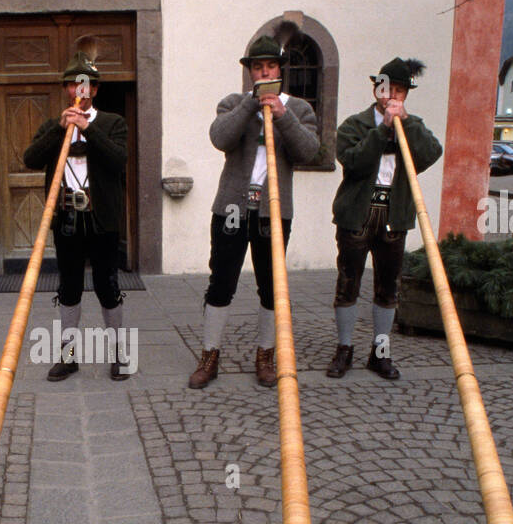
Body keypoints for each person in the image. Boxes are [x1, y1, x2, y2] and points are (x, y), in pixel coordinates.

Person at [188, 35, 320, 389]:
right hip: (232, 207)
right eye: (258, 67)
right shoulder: (233, 103)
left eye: (271, 66)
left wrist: (283, 115)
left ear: (281, 70)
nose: (265, 72)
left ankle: (265, 355)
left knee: (271, 286)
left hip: (273, 210)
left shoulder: (300, 109)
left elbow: (309, 151)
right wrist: (251, 105)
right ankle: (210, 354)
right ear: (249, 72)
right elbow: (220, 138)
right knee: (221, 283)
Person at [326, 57, 442, 381]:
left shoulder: (412, 125)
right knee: (348, 282)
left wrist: (407, 123)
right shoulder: (355, 124)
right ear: (376, 88)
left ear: (406, 95)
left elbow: (432, 153)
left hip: (394, 216)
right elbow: (353, 162)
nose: (391, 94)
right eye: (386, 87)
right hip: (357, 215)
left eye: (399, 90)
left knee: (388, 288)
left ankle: (380, 352)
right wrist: (382, 131)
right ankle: (344, 349)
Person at [23, 45, 131, 381]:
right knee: (68, 287)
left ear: (94, 89)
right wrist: (60, 129)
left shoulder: (113, 123)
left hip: (102, 219)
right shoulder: (52, 127)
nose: (77, 90)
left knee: (107, 286)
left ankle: (118, 354)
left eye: (83, 84)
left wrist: (87, 127)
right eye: (71, 85)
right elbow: (30, 159)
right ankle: (68, 356)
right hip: (67, 217)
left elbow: (118, 160)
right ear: (67, 89)